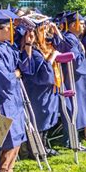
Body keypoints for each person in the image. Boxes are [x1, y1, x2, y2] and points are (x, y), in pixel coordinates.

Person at [0, 9, 29, 172]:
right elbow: (3, 76)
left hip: (14, 96)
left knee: (17, 132)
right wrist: (15, 74)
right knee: (8, 134)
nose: (11, 31)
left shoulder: (7, 46)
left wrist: (28, 45)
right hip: (3, 97)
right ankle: (1, 171)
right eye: (7, 27)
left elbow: (24, 68)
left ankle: (8, 169)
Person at [52, 11, 86, 147]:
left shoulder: (74, 38)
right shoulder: (70, 38)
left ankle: (72, 139)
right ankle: (71, 140)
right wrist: (83, 52)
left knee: (77, 109)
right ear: (72, 25)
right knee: (73, 109)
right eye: (80, 24)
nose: (83, 26)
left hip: (79, 77)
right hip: (74, 78)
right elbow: (75, 60)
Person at [20, 20, 61, 156]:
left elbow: (62, 45)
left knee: (45, 119)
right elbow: (43, 74)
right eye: (44, 30)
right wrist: (52, 57)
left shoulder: (43, 48)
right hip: (37, 92)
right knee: (39, 120)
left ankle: (42, 147)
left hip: (46, 92)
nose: (47, 33)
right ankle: (36, 149)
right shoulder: (35, 52)